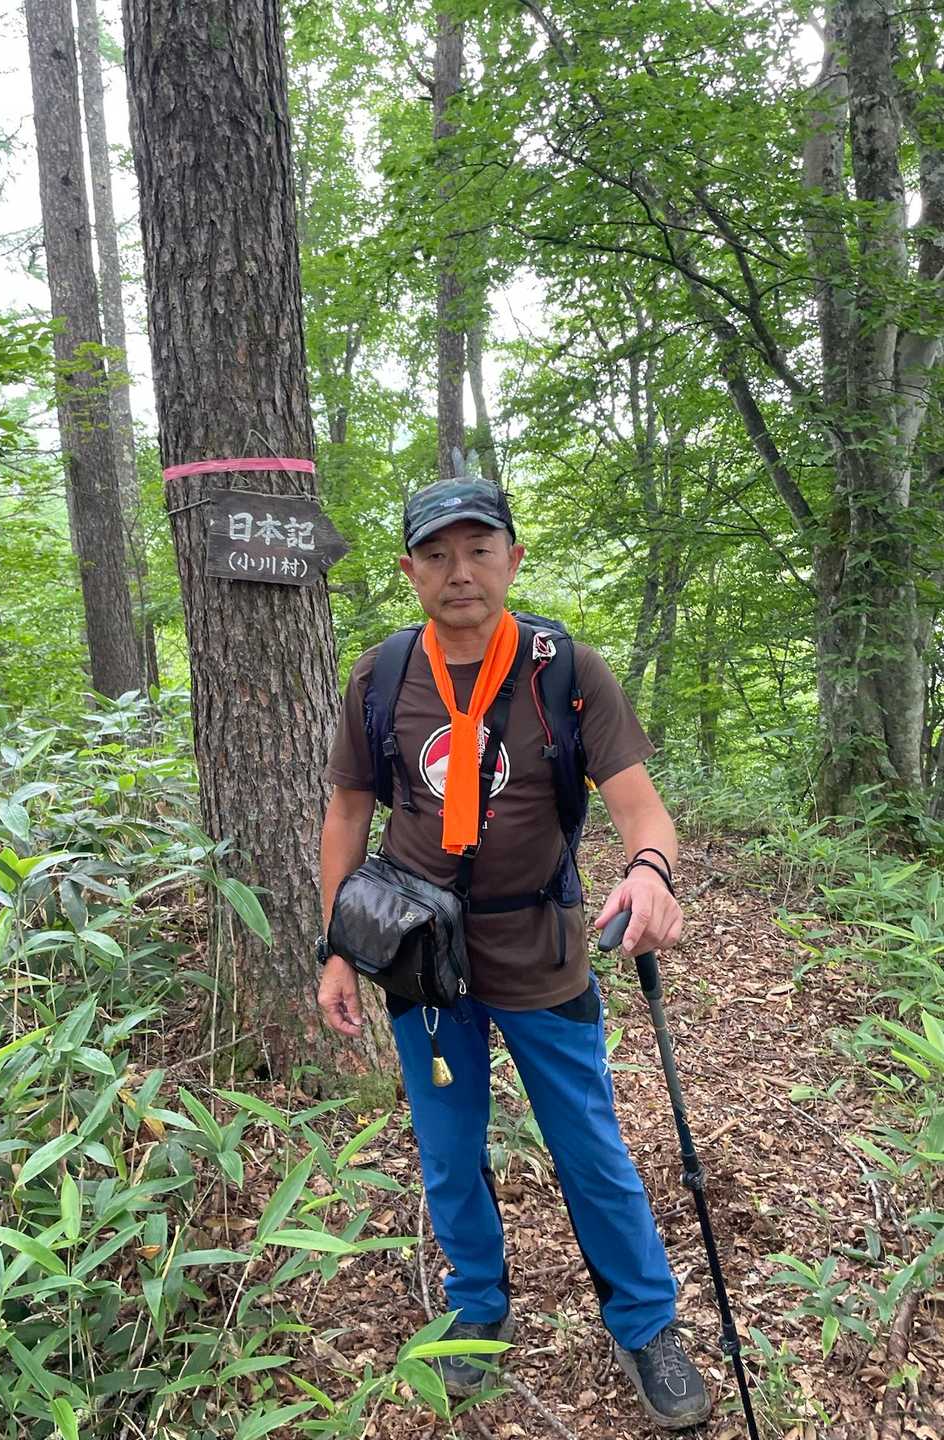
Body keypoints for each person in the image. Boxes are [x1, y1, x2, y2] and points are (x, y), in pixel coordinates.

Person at [317, 479, 711, 1430]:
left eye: (479, 549)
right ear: (410, 570)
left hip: (541, 945)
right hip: (421, 955)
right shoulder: (381, 677)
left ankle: (646, 1324)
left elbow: (642, 810)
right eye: (437, 554)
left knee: (589, 1145)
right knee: (449, 1148)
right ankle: (476, 1308)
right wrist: (336, 948)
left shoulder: (564, 670)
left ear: (513, 559)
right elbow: (347, 816)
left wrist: (651, 871)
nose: (460, 572)